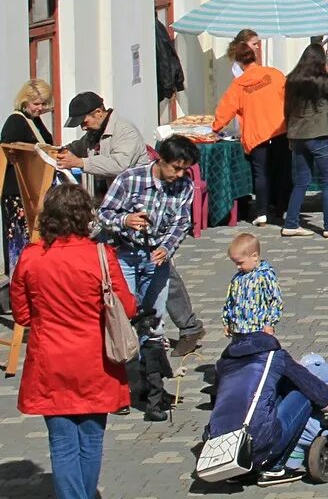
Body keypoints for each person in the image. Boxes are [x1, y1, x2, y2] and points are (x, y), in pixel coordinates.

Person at [11, 183, 134, 499]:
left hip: (49, 361)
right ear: (85, 218)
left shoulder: (31, 257)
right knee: (91, 439)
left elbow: (22, 315)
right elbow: (128, 307)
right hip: (96, 362)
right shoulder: (100, 255)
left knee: (62, 442)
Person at [92, 135, 198, 421]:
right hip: (125, 255)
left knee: (154, 322)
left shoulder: (184, 185)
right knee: (122, 321)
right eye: (175, 168)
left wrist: (167, 247)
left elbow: (182, 222)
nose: (178, 175)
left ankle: (154, 393)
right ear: (159, 160)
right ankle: (124, 386)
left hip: (156, 258)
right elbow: (103, 214)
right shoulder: (130, 179)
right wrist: (125, 220)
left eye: (183, 170)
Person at [207, 310, 328, 485]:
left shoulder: (224, 363)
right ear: (264, 329)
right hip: (256, 440)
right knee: (303, 394)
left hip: (221, 444)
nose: (274, 329)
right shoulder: (273, 356)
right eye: (271, 324)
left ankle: (241, 468)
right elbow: (314, 389)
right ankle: (274, 468)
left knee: (265, 394)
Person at [209, 32, 288, 227]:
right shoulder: (274, 74)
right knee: (281, 171)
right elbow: (289, 96)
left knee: (260, 173)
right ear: (253, 57)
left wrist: (215, 128)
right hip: (280, 130)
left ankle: (261, 212)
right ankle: (281, 208)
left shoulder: (239, 85)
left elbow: (225, 109)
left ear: (239, 62)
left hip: (257, 134)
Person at [281, 43, 328, 239]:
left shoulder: (292, 79)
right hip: (319, 134)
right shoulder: (321, 80)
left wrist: (289, 133)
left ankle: (291, 223)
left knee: (301, 181)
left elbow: (286, 109)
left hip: (297, 135)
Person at [4, 80, 57, 271]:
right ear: (25, 101)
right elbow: (9, 151)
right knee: (22, 241)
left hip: (36, 190)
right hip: (19, 192)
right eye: (36, 104)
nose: (40, 108)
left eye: (43, 104)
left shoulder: (34, 120)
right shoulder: (16, 120)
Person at [53, 93, 147, 194]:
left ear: (98, 112)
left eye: (84, 122)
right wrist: (58, 152)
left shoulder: (125, 131)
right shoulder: (94, 132)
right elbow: (77, 148)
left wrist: (81, 163)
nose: (83, 128)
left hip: (132, 198)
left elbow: (120, 164)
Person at [221, 233, 282, 336]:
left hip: (259, 329)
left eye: (240, 263)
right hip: (238, 329)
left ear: (254, 256)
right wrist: (227, 321)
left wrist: (270, 323)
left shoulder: (265, 275)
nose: (238, 267)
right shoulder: (237, 278)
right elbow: (230, 301)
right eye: (235, 263)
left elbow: (275, 301)